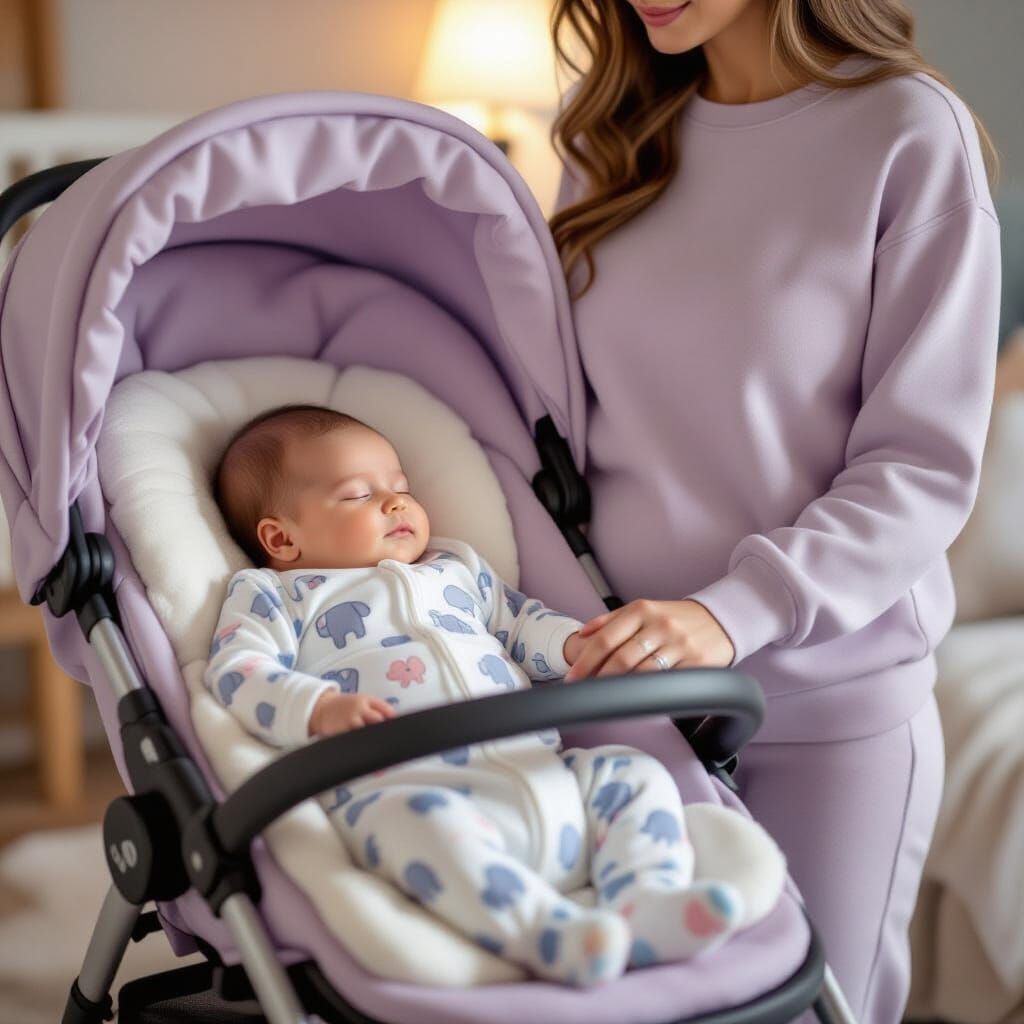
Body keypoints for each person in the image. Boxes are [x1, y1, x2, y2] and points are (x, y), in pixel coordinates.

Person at [548, 1, 1002, 1021]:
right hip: (620, 704)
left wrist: (729, 609)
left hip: (826, 711)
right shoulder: (611, 141)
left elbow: (919, 470)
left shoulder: (906, 133)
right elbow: (560, 433)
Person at [204, 403, 779, 987]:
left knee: (631, 773)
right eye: (357, 495)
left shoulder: (457, 568)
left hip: (544, 774)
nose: (395, 502)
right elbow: (238, 670)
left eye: (400, 488)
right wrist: (317, 708)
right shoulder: (275, 594)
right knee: (413, 824)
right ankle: (542, 931)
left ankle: (646, 900)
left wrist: (575, 647)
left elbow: (521, 625)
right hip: (410, 785)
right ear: (282, 538)